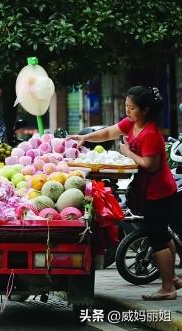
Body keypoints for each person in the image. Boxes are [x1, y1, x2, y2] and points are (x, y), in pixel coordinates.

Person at [68, 86, 181, 301]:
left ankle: (167, 287)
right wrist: (85, 138)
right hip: (149, 189)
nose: (127, 111)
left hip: (158, 192)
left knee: (157, 238)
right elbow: (111, 131)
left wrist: (127, 152)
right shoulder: (133, 124)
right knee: (163, 235)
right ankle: (172, 278)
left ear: (145, 110)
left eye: (132, 108)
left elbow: (150, 164)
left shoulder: (150, 134)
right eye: (126, 107)